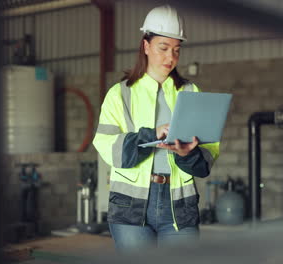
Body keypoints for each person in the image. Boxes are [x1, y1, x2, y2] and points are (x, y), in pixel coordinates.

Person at [93, 4, 219, 252]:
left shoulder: (191, 93)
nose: (170, 57)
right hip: (130, 208)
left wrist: (188, 154)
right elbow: (109, 149)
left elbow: (206, 160)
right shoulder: (120, 94)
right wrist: (151, 135)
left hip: (179, 207)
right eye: (163, 48)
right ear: (146, 46)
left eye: (176, 50)